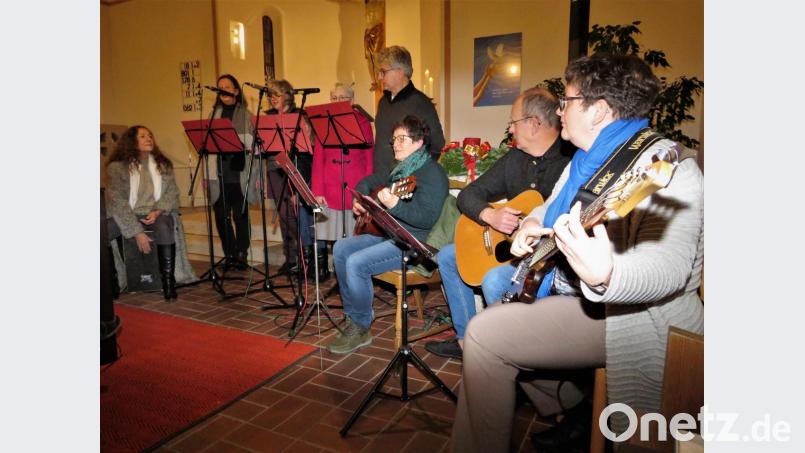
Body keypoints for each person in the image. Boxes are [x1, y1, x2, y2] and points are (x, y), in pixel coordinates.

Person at [451, 54, 704, 452]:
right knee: (491, 325)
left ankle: (571, 406)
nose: (558, 110)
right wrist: (533, 223)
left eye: (565, 101)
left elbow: (671, 270)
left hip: (635, 316)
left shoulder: (670, 168)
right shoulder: (584, 160)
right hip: (579, 297)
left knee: (483, 335)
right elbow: (551, 205)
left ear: (598, 110)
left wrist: (608, 274)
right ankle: (573, 404)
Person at [424, 87, 573, 360]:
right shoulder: (514, 159)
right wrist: (490, 216)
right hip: (508, 250)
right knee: (447, 256)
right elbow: (469, 195)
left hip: (546, 259)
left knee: (494, 280)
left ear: (534, 124)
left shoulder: (570, 162)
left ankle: (508, 354)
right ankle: (466, 339)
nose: (510, 130)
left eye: (513, 123)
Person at [327, 115, 448, 355]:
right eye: (394, 140)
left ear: (419, 142)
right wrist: (359, 197)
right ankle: (353, 317)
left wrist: (395, 205)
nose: (396, 144)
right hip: (390, 233)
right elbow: (370, 180)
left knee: (357, 262)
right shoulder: (400, 168)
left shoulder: (432, 174)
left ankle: (361, 327)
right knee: (341, 248)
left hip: (414, 243)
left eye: (402, 139)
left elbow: (427, 219)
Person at [106, 125, 182, 301]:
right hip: (129, 214)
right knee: (103, 232)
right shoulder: (117, 168)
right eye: (142, 136)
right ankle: (112, 282)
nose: (149, 139)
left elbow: (172, 193)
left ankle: (168, 284)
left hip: (156, 212)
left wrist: (158, 211)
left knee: (164, 226)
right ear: (131, 141)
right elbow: (118, 202)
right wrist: (136, 231)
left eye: (150, 135)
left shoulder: (163, 165)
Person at [311, 82, 375, 280]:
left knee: (355, 234)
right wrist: (317, 190)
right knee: (335, 236)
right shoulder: (323, 121)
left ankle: (353, 274)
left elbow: (369, 157)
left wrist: (367, 190)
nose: (338, 102)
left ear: (352, 100)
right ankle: (339, 274)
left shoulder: (362, 121)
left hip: (355, 186)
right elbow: (318, 157)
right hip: (330, 186)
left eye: (343, 98)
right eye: (334, 98)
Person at [264, 79, 320, 275]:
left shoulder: (298, 116)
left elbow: (306, 150)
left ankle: (303, 256)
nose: (273, 98)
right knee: (283, 214)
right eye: (271, 95)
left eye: (277, 94)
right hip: (275, 168)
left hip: (295, 168)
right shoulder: (268, 117)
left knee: (294, 213)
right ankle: (290, 257)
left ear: (287, 95)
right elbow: (265, 147)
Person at [207, 74, 255, 270]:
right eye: (220, 87)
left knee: (240, 215)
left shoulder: (246, 115)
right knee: (220, 215)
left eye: (227, 86)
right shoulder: (213, 115)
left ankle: (242, 252)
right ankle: (230, 253)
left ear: (236, 90)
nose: (223, 90)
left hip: (238, 173)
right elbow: (207, 146)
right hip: (217, 173)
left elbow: (253, 146)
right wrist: (205, 175)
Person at [373, 46, 445, 176]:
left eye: (383, 72)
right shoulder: (383, 102)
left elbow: (437, 145)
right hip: (380, 179)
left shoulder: (421, 103)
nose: (379, 77)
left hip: (406, 183)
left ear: (400, 72)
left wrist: (413, 172)